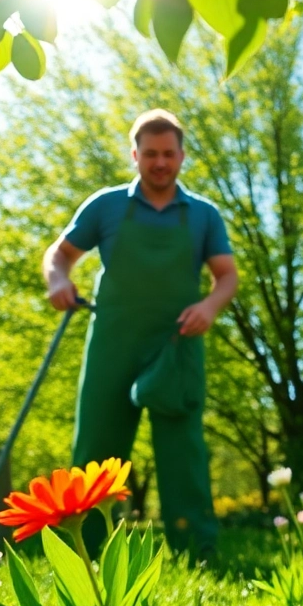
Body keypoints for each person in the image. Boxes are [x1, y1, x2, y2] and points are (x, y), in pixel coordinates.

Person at [42, 109, 237, 560]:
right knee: (96, 446)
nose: (160, 162)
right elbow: (61, 254)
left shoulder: (204, 215)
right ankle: (85, 552)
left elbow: (226, 276)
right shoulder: (106, 205)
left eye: (169, 153)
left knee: (183, 451)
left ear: (182, 156)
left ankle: (196, 551)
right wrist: (58, 280)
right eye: (150, 154)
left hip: (177, 344)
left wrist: (209, 306)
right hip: (114, 340)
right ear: (135, 155)